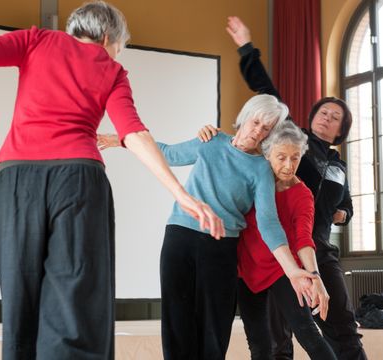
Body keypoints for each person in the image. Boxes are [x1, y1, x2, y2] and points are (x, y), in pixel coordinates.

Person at [0, 2, 226, 359]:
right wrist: (181, 193)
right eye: (119, 48)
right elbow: (134, 134)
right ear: (109, 38)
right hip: (78, 180)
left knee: (20, 302)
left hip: (17, 181)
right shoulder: (112, 70)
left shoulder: (37, 40)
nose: (116, 55)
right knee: (76, 305)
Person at [98, 94, 322, 360]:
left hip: (221, 247)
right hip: (180, 238)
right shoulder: (211, 141)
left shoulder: (261, 168)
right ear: (245, 117)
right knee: (177, 320)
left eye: (267, 128)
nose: (258, 131)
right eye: (256, 122)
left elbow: (269, 223)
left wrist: (294, 270)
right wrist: (120, 140)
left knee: (214, 327)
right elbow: (168, 153)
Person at [198, 15, 367, 360]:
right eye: (323, 111)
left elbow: (347, 205)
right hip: (279, 252)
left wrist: (343, 212)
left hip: (318, 246)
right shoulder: (296, 144)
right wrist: (246, 46)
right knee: (278, 339)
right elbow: (267, 92)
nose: (327, 117)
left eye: (336, 117)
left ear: (341, 131)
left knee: (342, 325)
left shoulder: (338, 166)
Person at [235, 120, 336, 360]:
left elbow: (303, 238)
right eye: (281, 157)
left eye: (295, 157)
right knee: (258, 344)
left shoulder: (302, 194)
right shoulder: (254, 179)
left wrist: (315, 276)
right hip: (246, 268)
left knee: (307, 333)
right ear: (267, 153)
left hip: (285, 268)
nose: (289, 166)